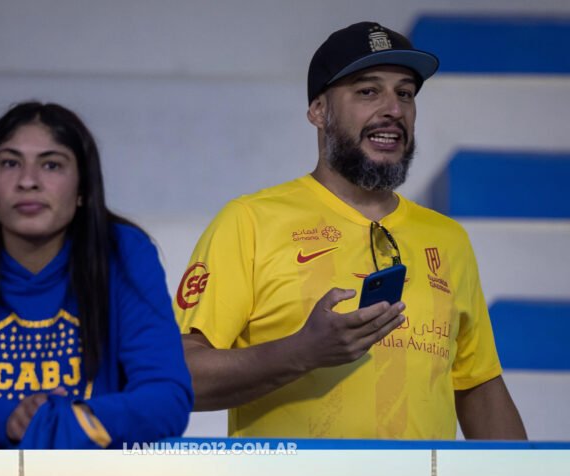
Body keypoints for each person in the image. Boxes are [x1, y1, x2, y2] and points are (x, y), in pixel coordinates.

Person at [175, 22, 526, 441]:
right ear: (319, 111)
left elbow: (479, 387)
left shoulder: (448, 238)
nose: (393, 109)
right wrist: (301, 353)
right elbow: (178, 377)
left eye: (405, 94)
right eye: (368, 91)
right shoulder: (250, 221)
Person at [0, 101, 192, 449]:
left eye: (51, 165)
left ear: (83, 190)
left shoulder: (124, 253)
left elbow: (167, 397)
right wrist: (8, 419)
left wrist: (75, 419)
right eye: (10, 163)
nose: (28, 181)